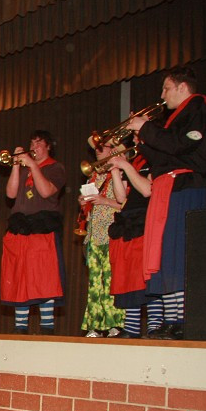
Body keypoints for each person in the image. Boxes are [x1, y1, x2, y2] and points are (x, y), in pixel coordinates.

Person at [125, 66, 206, 340]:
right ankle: (173, 319)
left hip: (185, 186)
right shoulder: (174, 117)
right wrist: (142, 138)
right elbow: (161, 157)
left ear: (182, 88)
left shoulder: (196, 107)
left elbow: (180, 146)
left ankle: (183, 319)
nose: (162, 95)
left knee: (179, 251)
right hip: (168, 186)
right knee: (166, 255)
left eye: (166, 88)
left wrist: (147, 127)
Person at [0, 131, 67, 334]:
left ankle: (46, 327)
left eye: (38, 143)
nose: (34, 146)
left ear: (48, 147)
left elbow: (46, 191)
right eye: (31, 143)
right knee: (20, 277)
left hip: (42, 227)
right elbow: (10, 194)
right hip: (20, 227)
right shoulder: (22, 170)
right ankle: (21, 327)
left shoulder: (56, 167)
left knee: (43, 278)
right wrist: (15, 165)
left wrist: (32, 164)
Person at [109, 152, 165, 338]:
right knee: (130, 276)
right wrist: (116, 171)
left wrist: (126, 166)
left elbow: (147, 189)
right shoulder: (133, 162)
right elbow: (120, 198)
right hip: (129, 219)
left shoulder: (155, 159)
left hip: (146, 217)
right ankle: (132, 327)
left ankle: (154, 326)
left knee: (147, 277)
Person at [78, 143, 126, 337]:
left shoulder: (119, 173)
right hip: (94, 236)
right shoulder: (94, 177)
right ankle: (95, 325)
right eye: (97, 148)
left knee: (112, 282)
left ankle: (116, 324)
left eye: (103, 147)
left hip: (111, 234)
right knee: (95, 284)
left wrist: (104, 200)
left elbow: (124, 204)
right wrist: (83, 203)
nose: (98, 150)